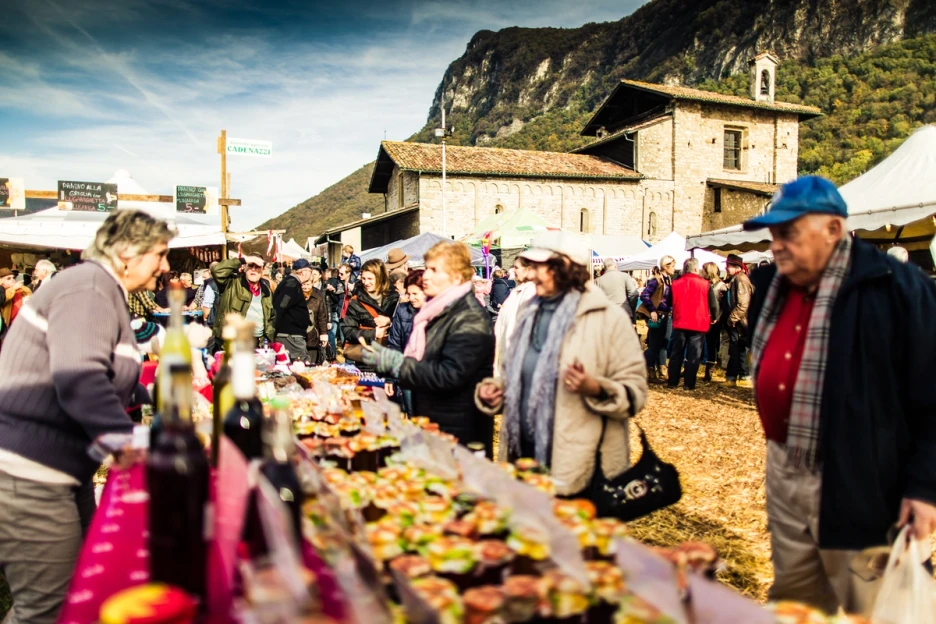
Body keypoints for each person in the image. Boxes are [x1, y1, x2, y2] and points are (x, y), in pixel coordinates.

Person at [743, 175, 936, 616]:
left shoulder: (895, 288)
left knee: (869, 604)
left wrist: (925, 487)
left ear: (833, 229)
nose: (775, 245)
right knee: (798, 596)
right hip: (787, 466)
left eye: (788, 232)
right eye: (772, 235)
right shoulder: (774, 286)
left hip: (863, 477)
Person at [0, 210, 173, 624]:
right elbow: (80, 378)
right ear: (128, 252)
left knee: (79, 591)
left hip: (60, 472)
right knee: (47, 610)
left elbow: (114, 376)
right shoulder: (89, 285)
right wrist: (127, 443)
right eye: (160, 254)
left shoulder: (102, 290)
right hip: (30, 474)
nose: (166, 267)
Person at [474, 232, 648, 495]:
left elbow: (634, 393)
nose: (531, 275)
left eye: (540, 268)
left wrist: (595, 387)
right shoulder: (529, 314)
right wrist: (497, 393)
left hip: (579, 462)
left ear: (566, 268)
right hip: (524, 454)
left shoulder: (607, 319)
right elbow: (517, 376)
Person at [360, 242, 496, 454]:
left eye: (434, 270)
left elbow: (450, 375)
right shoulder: (439, 311)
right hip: (437, 420)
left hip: (458, 430)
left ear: (457, 277)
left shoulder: (469, 318)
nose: (426, 276)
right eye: (427, 268)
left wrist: (398, 364)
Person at [665, 258, 717, 390]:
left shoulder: (675, 283)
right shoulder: (705, 284)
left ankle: (672, 382)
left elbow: (669, 301)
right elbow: (713, 304)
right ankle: (689, 384)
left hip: (680, 321)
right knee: (694, 355)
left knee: (677, 353)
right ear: (696, 269)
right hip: (698, 323)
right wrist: (715, 317)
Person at [342, 259, 398, 372]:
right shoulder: (356, 301)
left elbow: (405, 325)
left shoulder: (395, 298)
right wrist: (373, 333)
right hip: (366, 362)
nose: (366, 282)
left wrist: (390, 321)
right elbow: (347, 330)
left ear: (380, 277)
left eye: (370, 279)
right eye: (363, 278)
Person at [211, 255, 275, 346]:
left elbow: (271, 316)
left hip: (258, 342)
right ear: (244, 268)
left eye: (257, 267)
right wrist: (244, 260)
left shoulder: (266, 290)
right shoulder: (232, 283)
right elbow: (216, 270)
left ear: (263, 270)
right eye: (250, 265)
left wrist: (268, 337)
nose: (253, 269)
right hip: (233, 341)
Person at [493, 257, 536, 370]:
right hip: (506, 355)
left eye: (516, 267)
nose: (513, 271)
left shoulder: (531, 291)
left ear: (528, 269)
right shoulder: (518, 290)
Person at [639, 256, 676, 384]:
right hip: (658, 316)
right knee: (654, 345)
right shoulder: (657, 280)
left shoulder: (668, 280)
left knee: (664, 344)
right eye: (673, 266)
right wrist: (652, 310)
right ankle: (650, 372)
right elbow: (644, 294)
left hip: (667, 315)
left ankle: (662, 370)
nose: (674, 268)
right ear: (666, 266)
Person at [271, 258, 314, 361]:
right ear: (303, 272)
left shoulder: (291, 283)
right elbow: (281, 306)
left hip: (292, 335)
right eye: (310, 271)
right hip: (291, 337)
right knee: (299, 367)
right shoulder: (291, 284)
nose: (311, 274)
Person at [724, 254, 753, 387]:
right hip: (740, 321)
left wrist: (732, 318)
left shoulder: (740, 280)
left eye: (728, 266)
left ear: (736, 267)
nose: (726, 268)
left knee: (735, 349)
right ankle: (744, 376)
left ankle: (732, 378)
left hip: (739, 322)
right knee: (740, 349)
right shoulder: (736, 279)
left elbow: (743, 304)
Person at [388, 269, 426, 352]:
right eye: (409, 294)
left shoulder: (440, 311)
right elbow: (394, 344)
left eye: (415, 294)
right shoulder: (402, 310)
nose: (411, 298)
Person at [702, 261, 727, 382]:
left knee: (712, 345)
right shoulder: (704, 284)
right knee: (702, 343)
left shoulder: (721, 286)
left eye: (704, 270)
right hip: (703, 318)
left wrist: (717, 318)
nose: (702, 272)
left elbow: (724, 305)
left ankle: (709, 371)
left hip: (715, 320)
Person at [301, 276, 329, 364]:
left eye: (307, 284)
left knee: (312, 363)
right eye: (303, 284)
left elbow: (322, 317)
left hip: (313, 335)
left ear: (312, 284)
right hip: (298, 336)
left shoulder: (318, 297)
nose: (305, 287)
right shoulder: (295, 295)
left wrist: (323, 334)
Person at [1, 268, 31, 340]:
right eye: (8, 278)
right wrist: (13, 289)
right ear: (1, 281)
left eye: (13, 278)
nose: (12, 280)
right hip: (8, 325)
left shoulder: (23, 289)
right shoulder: (3, 291)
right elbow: (4, 299)